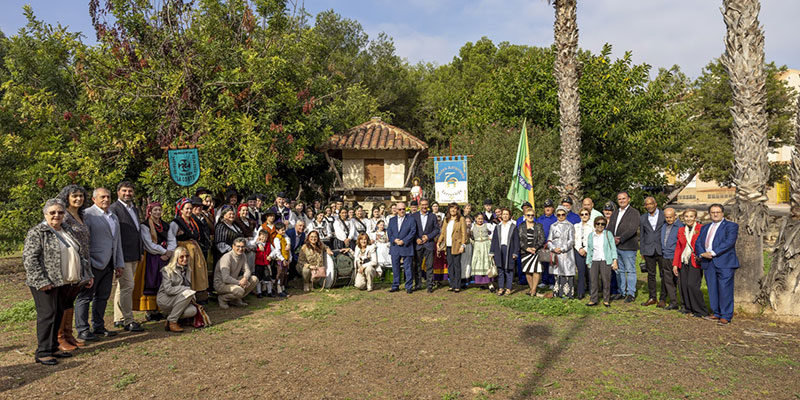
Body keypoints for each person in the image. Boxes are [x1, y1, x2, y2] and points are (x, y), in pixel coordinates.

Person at [24, 198, 93, 365]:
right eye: (52, 212)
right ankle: (43, 352)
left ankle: (54, 347)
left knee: (58, 313)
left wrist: (87, 274)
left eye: (60, 212)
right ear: (45, 214)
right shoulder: (38, 232)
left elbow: (80, 253)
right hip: (45, 282)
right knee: (47, 315)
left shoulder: (66, 230)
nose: (57, 215)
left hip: (64, 281)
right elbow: (30, 259)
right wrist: (41, 280)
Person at [75, 188, 124, 342]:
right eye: (102, 197)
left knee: (102, 297)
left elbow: (117, 242)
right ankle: (82, 329)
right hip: (93, 263)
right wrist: (86, 265)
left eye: (108, 197)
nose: (106, 199)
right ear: (94, 199)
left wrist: (118, 263)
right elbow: (84, 242)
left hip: (109, 263)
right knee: (85, 297)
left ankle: (98, 326)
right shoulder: (88, 215)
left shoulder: (113, 216)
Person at [56, 185, 92, 351]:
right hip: (68, 263)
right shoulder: (64, 216)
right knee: (63, 299)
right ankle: (60, 337)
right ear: (67, 198)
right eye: (74, 196)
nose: (79, 198)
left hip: (82, 263)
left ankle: (69, 335)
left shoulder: (82, 215)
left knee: (71, 299)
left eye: (81, 196)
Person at [108, 181, 144, 332]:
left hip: (135, 253)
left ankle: (118, 318)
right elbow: (114, 235)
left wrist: (141, 251)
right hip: (123, 255)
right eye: (124, 191)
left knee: (122, 287)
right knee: (128, 286)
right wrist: (117, 257)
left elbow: (138, 231)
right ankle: (129, 320)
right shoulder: (113, 209)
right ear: (118, 192)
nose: (127, 193)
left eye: (130, 191)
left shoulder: (134, 209)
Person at [695, 204, 739, 326]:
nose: (715, 214)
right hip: (708, 262)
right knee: (712, 288)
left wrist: (713, 253)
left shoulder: (731, 226)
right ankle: (716, 312)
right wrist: (702, 253)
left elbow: (729, 242)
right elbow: (698, 242)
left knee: (725, 289)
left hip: (724, 262)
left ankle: (726, 315)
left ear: (722, 213)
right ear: (709, 214)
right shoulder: (705, 227)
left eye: (718, 212)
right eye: (713, 212)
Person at [134, 202, 175, 322]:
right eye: (155, 210)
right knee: (151, 281)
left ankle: (161, 308)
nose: (157, 212)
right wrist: (163, 252)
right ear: (150, 212)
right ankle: (151, 311)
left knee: (164, 281)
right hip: (151, 258)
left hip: (165, 258)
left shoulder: (165, 225)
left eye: (159, 210)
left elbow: (172, 239)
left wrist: (169, 252)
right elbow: (148, 244)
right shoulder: (145, 226)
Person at [169, 198, 210, 302]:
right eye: (186, 209)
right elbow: (171, 237)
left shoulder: (193, 221)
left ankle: (200, 296)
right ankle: (188, 297)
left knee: (198, 272)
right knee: (188, 273)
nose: (189, 211)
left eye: (190, 209)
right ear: (181, 210)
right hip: (183, 250)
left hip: (195, 250)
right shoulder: (176, 223)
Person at [672, 209, 707, 318]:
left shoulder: (701, 228)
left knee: (692, 285)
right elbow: (678, 247)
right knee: (683, 285)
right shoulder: (681, 230)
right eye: (686, 216)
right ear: (683, 218)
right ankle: (687, 307)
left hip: (695, 260)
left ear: (695, 217)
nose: (689, 219)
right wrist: (675, 264)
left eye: (691, 216)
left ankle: (700, 310)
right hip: (683, 260)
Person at [606, 191, 640, 303]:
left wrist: (620, 239)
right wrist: (611, 239)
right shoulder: (615, 213)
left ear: (628, 199)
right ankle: (621, 292)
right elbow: (610, 226)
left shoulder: (634, 212)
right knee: (618, 270)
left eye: (624, 198)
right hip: (616, 247)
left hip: (628, 246)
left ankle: (631, 293)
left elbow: (632, 228)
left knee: (630, 270)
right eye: (619, 199)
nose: (622, 200)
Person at [157, 247, 198, 333]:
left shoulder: (188, 269)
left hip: (180, 298)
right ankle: (172, 321)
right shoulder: (167, 270)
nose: (185, 259)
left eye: (187, 256)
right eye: (181, 257)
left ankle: (172, 317)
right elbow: (168, 290)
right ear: (176, 258)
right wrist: (185, 289)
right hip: (165, 299)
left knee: (193, 310)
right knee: (188, 292)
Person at [214, 238, 259, 309]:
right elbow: (225, 278)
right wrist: (239, 283)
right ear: (233, 246)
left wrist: (245, 278)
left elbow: (247, 270)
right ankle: (223, 298)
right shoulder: (227, 257)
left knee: (254, 279)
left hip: (233, 282)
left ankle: (235, 300)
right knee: (240, 290)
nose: (240, 249)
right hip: (221, 284)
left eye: (242, 246)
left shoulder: (243, 255)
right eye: (238, 246)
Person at [585, 216, 618, 307]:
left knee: (606, 281)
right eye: (598, 223)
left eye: (602, 224)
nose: (600, 225)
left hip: (605, 260)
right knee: (593, 281)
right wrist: (588, 261)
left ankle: (606, 300)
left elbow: (613, 248)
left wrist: (614, 260)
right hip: (594, 260)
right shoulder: (591, 235)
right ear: (595, 224)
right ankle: (593, 299)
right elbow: (589, 248)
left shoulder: (608, 234)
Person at [639, 196, 666, 307]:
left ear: (655, 204)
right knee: (651, 275)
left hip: (662, 249)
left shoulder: (664, 215)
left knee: (664, 274)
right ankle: (652, 297)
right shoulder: (643, 218)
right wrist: (642, 251)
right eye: (647, 204)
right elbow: (642, 235)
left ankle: (663, 298)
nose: (649, 206)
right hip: (649, 250)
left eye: (651, 203)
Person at [437, 203, 468, 292]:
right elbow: (443, 233)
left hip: (457, 246)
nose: (453, 210)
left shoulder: (461, 219)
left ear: (457, 210)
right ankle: (452, 284)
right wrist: (439, 242)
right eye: (451, 209)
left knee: (457, 265)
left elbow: (463, 233)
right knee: (450, 265)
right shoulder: (446, 220)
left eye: (454, 209)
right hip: (448, 246)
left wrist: (463, 245)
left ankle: (458, 285)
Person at [388, 201, 417, 293]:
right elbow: (389, 232)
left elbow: (413, 232)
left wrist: (404, 241)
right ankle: (395, 285)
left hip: (406, 246)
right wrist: (394, 240)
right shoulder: (391, 220)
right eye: (400, 209)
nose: (402, 211)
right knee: (395, 267)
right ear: (396, 210)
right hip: (395, 247)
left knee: (408, 267)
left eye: (403, 209)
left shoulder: (411, 219)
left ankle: (408, 286)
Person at [549, 206, 577, 298]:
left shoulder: (570, 226)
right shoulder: (553, 226)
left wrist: (563, 248)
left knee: (567, 273)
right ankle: (557, 293)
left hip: (566, 253)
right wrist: (553, 248)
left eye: (563, 214)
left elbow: (571, 240)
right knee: (557, 274)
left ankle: (568, 294)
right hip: (556, 253)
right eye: (559, 215)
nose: (561, 216)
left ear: (566, 215)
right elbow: (549, 240)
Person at [413, 198, 440, 292]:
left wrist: (428, 237)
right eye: (422, 205)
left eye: (426, 205)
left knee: (429, 266)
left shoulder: (432, 216)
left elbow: (437, 230)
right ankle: (418, 284)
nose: (424, 206)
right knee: (417, 265)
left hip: (429, 244)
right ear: (419, 205)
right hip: (418, 244)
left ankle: (429, 285)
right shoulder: (414, 216)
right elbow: (412, 229)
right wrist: (416, 238)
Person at [490, 208, 519, 296]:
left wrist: (515, 252)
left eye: (507, 214)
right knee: (500, 269)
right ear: (501, 216)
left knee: (509, 269)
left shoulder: (513, 227)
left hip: (509, 249)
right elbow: (494, 240)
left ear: (510, 216)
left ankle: (509, 288)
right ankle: (501, 287)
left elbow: (516, 241)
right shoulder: (498, 227)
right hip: (499, 249)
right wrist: (492, 251)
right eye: (504, 214)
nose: (505, 216)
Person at [660, 207, 683, 310]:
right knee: (668, 280)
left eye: (670, 217)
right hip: (665, 256)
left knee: (679, 281)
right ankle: (673, 302)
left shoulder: (680, 226)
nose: (668, 219)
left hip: (675, 257)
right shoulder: (664, 226)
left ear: (675, 216)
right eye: (667, 217)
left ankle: (684, 303)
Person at [519, 208, 545, 296]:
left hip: (536, 251)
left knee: (536, 270)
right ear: (525, 216)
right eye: (528, 215)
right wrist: (527, 248)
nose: (530, 217)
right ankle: (531, 289)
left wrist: (535, 248)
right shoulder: (521, 226)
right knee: (527, 270)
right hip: (525, 251)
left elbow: (542, 238)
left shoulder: (538, 225)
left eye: (532, 215)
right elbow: (519, 239)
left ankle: (534, 290)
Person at [536, 199, 557, 288]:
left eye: (549, 207)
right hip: (542, 244)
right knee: (544, 263)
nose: (547, 209)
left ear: (553, 208)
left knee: (552, 263)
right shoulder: (539, 219)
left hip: (553, 244)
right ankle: (544, 281)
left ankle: (552, 282)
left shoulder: (556, 219)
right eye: (546, 207)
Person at [573, 207, 593, 300]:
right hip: (578, 251)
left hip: (589, 251)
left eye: (586, 214)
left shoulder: (593, 226)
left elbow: (593, 240)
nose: (584, 216)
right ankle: (581, 292)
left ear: (589, 215)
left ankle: (592, 290)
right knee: (581, 271)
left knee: (590, 272)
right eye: (582, 214)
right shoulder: (576, 226)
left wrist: (585, 249)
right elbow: (574, 239)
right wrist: (579, 248)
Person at [470, 213, 493, 290]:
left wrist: (490, 237)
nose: (480, 220)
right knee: (479, 263)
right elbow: (468, 233)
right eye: (479, 219)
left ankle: (490, 283)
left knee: (487, 263)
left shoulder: (487, 225)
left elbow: (495, 230)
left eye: (481, 219)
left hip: (486, 245)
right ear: (476, 219)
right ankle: (481, 283)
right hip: (477, 246)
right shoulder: (473, 226)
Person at [270, 222, 292, 297]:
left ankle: (283, 288)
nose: (284, 231)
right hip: (280, 259)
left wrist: (289, 259)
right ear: (277, 230)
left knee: (284, 274)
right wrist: (283, 259)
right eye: (282, 230)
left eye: (284, 230)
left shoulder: (285, 237)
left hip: (286, 258)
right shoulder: (277, 239)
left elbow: (288, 241)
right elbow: (277, 251)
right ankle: (278, 289)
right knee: (279, 274)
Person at [254, 230, 273, 297]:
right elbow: (252, 245)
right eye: (262, 237)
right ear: (259, 237)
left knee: (267, 277)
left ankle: (269, 292)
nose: (263, 239)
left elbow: (274, 251)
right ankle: (259, 292)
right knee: (259, 278)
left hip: (266, 263)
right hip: (258, 263)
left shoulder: (269, 244)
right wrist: (258, 242)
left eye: (265, 237)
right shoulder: (256, 244)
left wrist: (270, 256)